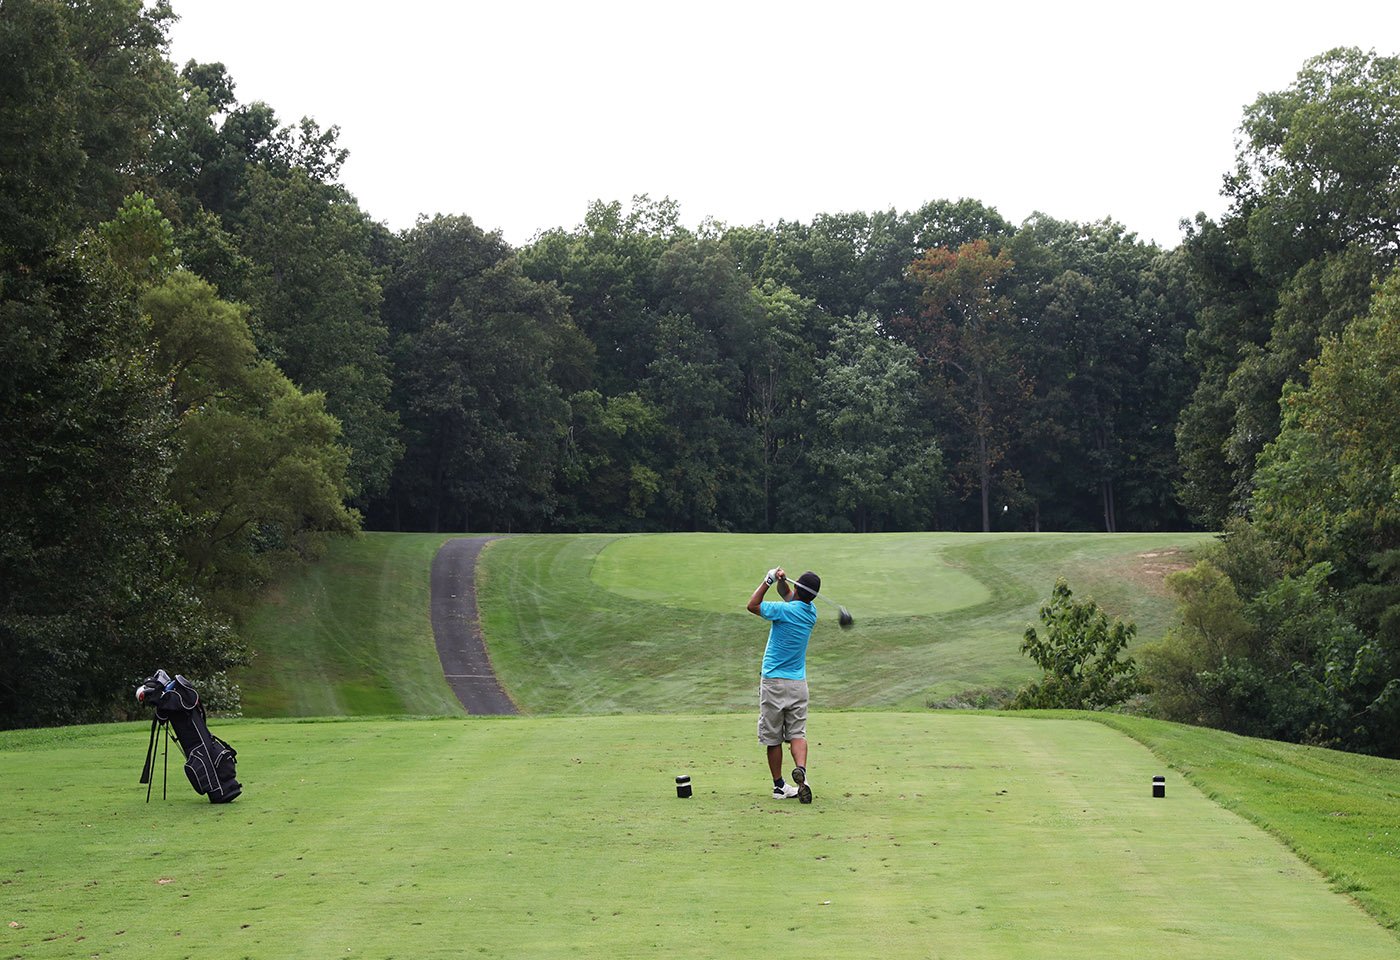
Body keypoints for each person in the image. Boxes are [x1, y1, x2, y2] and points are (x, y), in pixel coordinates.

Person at [747, 566, 820, 803]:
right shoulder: (811, 613)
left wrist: (767, 580)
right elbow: (789, 595)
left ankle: (779, 786)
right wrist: (782, 583)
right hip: (798, 684)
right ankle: (803, 775)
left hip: (774, 682)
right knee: (797, 733)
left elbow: (753, 605)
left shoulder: (782, 611)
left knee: (773, 738)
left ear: (798, 587)